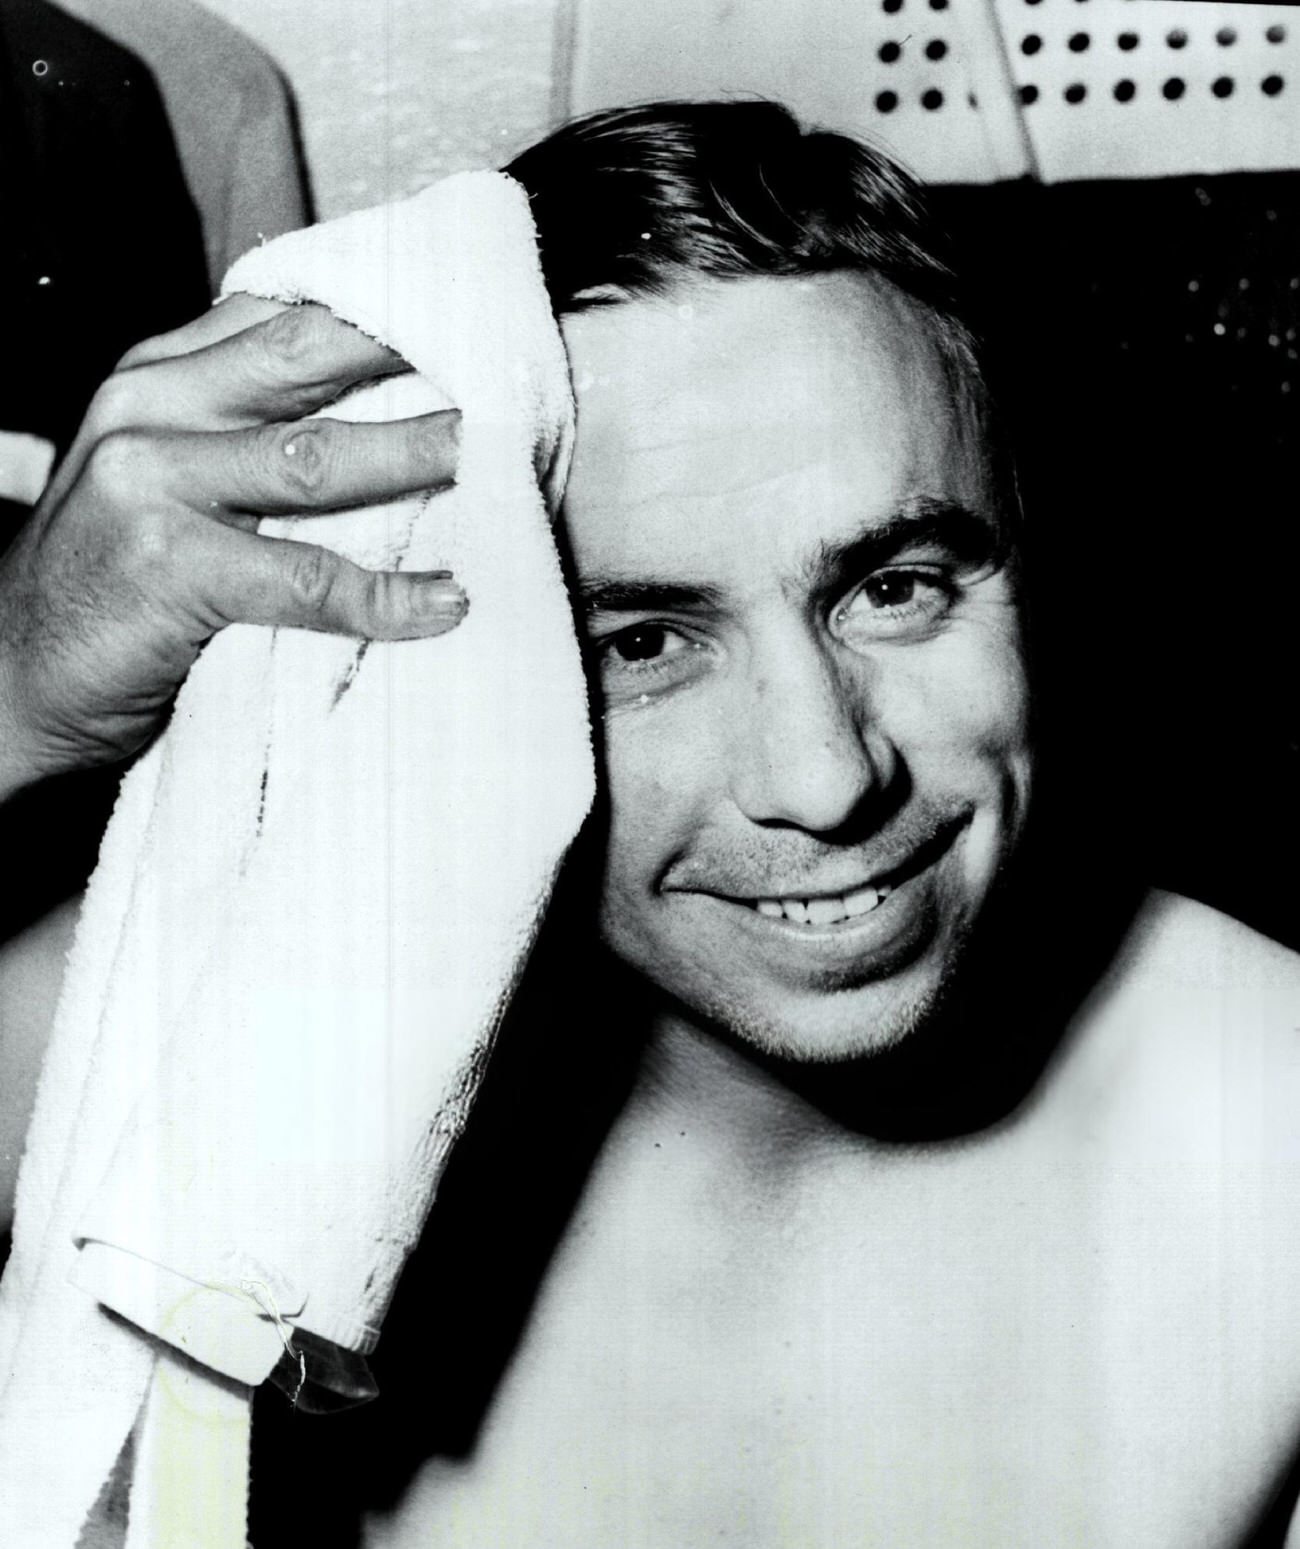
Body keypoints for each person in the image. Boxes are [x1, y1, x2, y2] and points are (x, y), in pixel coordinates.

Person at [3, 101, 1300, 1547]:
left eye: (899, 582)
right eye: (645, 643)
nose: (823, 778)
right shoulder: (163, 1051)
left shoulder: (1271, 1123)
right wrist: (8, 703)